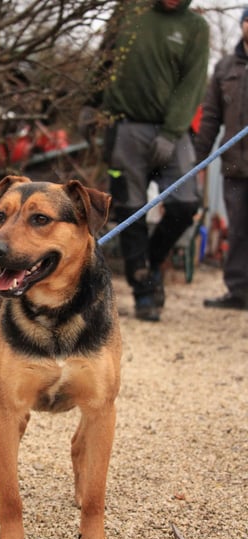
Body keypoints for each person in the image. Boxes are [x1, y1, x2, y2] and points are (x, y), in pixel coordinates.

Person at [79, 0, 209, 321]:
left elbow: (192, 84)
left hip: (173, 132)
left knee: (185, 204)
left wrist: (172, 131)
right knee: (130, 208)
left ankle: (152, 259)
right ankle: (144, 290)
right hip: (125, 126)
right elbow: (106, 59)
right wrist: (91, 103)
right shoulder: (129, 11)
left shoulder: (195, 28)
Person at [194, 8, 248, 311]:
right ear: (242, 25)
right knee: (238, 229)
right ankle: (239, 291)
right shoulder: (225, 67)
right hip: (235, 165)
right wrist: (198, 159)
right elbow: (211, 116)